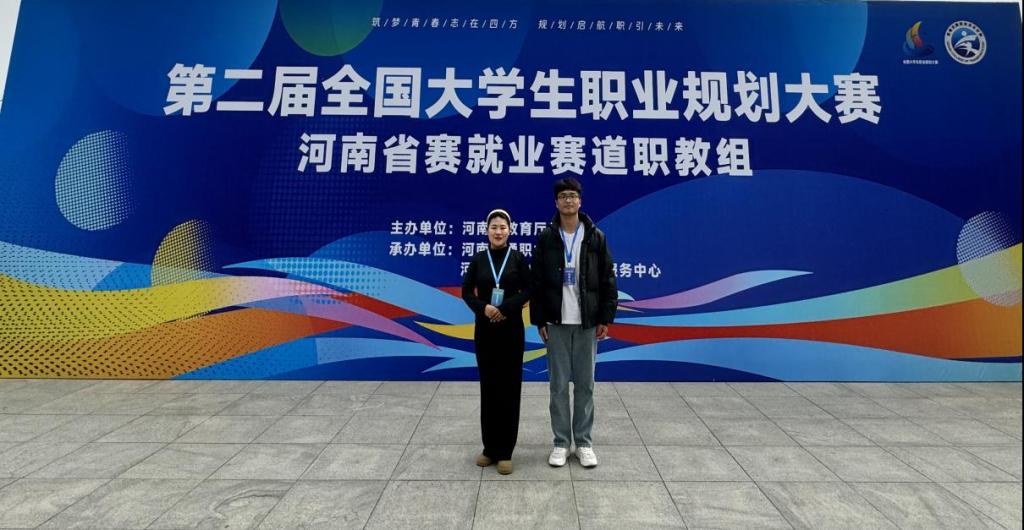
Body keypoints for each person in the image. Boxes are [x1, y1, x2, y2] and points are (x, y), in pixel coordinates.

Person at [530, 178, 617, 468]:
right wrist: (539, 319)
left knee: (585, 385)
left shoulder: (595, 236)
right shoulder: (547, 237)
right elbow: (537, 281)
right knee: (557, 386)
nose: (568, 200)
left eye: (573, 196)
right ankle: (560, 443)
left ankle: (583, 443)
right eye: (563, 196)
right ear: (556, 203)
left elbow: (607, 278)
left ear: (580, 201)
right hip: (556, 321)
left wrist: (605, 317)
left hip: (586, 322)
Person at [461, 208, 531, 475]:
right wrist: (484, 308)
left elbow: (530, 289)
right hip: (485, 330)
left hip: (511, 330)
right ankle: (489, 448)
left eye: (503, 227)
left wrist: (506, 308)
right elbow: (466, 291)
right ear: (487, 231)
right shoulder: (479, 259)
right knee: (489, 387)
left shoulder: (518, 258)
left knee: (509, 388)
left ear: (510, 231)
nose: (498, 232)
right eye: (494, 227)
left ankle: (505, 452)